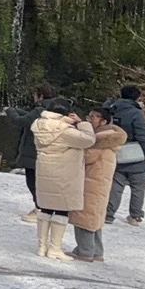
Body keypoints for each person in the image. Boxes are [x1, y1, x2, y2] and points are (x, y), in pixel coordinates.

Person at [32, 108, 96, 260]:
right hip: (64, 175)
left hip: (45, 172)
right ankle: (55, 248)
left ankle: (42, 246)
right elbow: (89, 140)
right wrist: (83, 123)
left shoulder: (39, 125)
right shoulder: (65, 131)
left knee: (46, 209)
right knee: (62, 211)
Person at [69, 106, 127, 262]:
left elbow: (85, 157)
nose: (90, 118)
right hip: (99, 184)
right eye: (89, 115)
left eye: (94, 116)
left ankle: (85, 251)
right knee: (95, 217)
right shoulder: (109, 140)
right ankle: (96, 251)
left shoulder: (99, 141)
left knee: (84, 216)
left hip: (91, 184)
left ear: (103, 121)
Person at [8, 83, 72, 223]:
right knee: (43, 182)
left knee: (33, 182)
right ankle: (45, 208)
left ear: (40, 95)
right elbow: (31, 116)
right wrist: (18, 110)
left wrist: (10, 111)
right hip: (51, 153)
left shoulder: (40, 109)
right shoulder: (55, 108)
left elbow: (21, 121)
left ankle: (40, 209)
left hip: (34, 152)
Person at [106, 85, 145, 225]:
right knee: (138, 187)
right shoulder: (136, 113)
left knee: (116, 186)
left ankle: (108, 214)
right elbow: (143, 136)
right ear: (137, 97)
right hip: (136, 155)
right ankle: (135, 216)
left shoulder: (112, 109)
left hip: (117, 151)